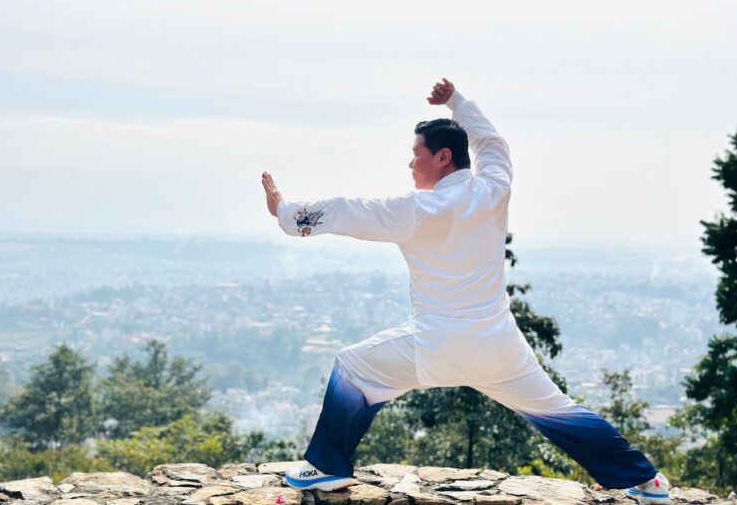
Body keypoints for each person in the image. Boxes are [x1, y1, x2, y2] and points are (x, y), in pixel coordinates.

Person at [260, 78, 671, 504]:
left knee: (352, 368)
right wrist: (457, 102)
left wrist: (285, 213)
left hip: (437, 344)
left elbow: (348, 210)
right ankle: (647, 482)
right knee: (561, 412)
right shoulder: (493, 189)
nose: (410, 164)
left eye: (416, 153)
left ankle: (327, 468)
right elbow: (492, 143)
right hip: (500, 345)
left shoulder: (415, 210)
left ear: (442, 157)